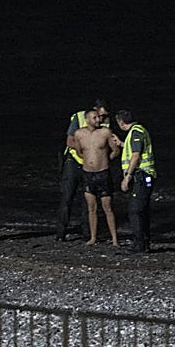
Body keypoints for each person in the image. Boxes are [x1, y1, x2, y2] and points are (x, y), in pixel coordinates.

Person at [56, 99, 110, 241]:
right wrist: (85, 151)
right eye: (99, 115)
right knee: (67, 197)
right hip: (74, 162)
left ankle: (87, 233)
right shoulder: (79, 118)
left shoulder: (105, 122)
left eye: (103, 116)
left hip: (91, 166)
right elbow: (70, 141)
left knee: (88, 201)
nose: (100, 119)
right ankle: (61, 232)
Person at [72, 109, 121, 245]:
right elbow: (79, 151)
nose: (98, 120)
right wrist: (89, 161)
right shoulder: (79, 134)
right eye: (94, 118)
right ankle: (93, 237)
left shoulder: (105, 132)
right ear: (87, 119)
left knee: (108, 207)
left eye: (98, 117)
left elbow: (115, 150)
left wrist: (106, 160)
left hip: (103, 173)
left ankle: (115, 239)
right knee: (91, 207)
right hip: (88, 173)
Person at [116, 109, 156, 253]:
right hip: (146, 176)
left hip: (141, 175)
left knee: (135, 211)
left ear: (121, 122)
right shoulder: (139, 131)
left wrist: (127, 177)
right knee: (142, 210)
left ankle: (139, 244)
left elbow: (136, 156)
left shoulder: (135, 133)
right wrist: (121, 144)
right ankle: (143, 243)